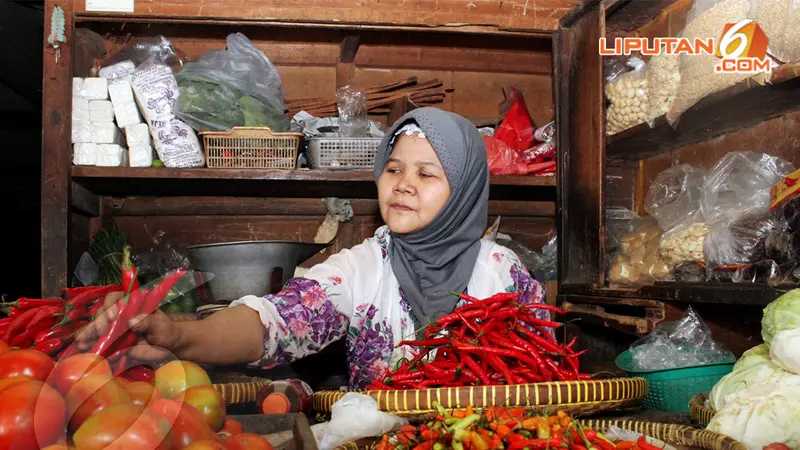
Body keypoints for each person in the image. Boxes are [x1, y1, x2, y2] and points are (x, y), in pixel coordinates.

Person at [77, 107, 548, 388]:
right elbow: (276, 322)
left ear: (464, 189)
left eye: (426, 174)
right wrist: (178, 335)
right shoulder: (364, 268)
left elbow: (546, 383)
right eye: (393, 169)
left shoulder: (503, 274)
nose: (403, 185)